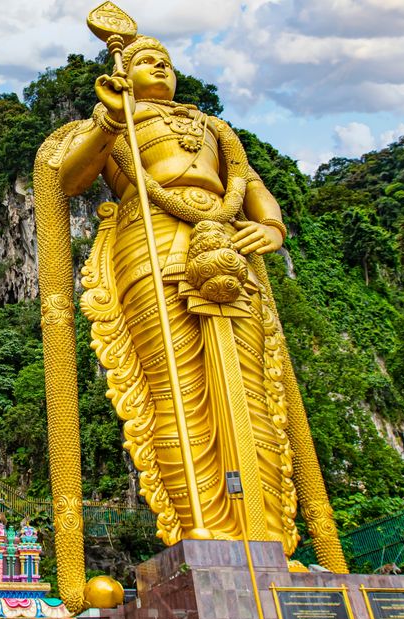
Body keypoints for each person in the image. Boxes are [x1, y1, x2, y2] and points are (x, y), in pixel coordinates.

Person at [33, 29, 342, 571]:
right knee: (176, 390)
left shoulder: (213, 126)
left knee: (251, 394)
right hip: (148, 242)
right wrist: (109, 119)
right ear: (122, 71)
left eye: (165, 60)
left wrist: (272, 226)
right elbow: (71, 179)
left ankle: (267, 537)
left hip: (227, 243)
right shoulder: (112, 124)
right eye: (145, 60)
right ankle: (201, 529)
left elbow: (248, 181)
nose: (159, 67)